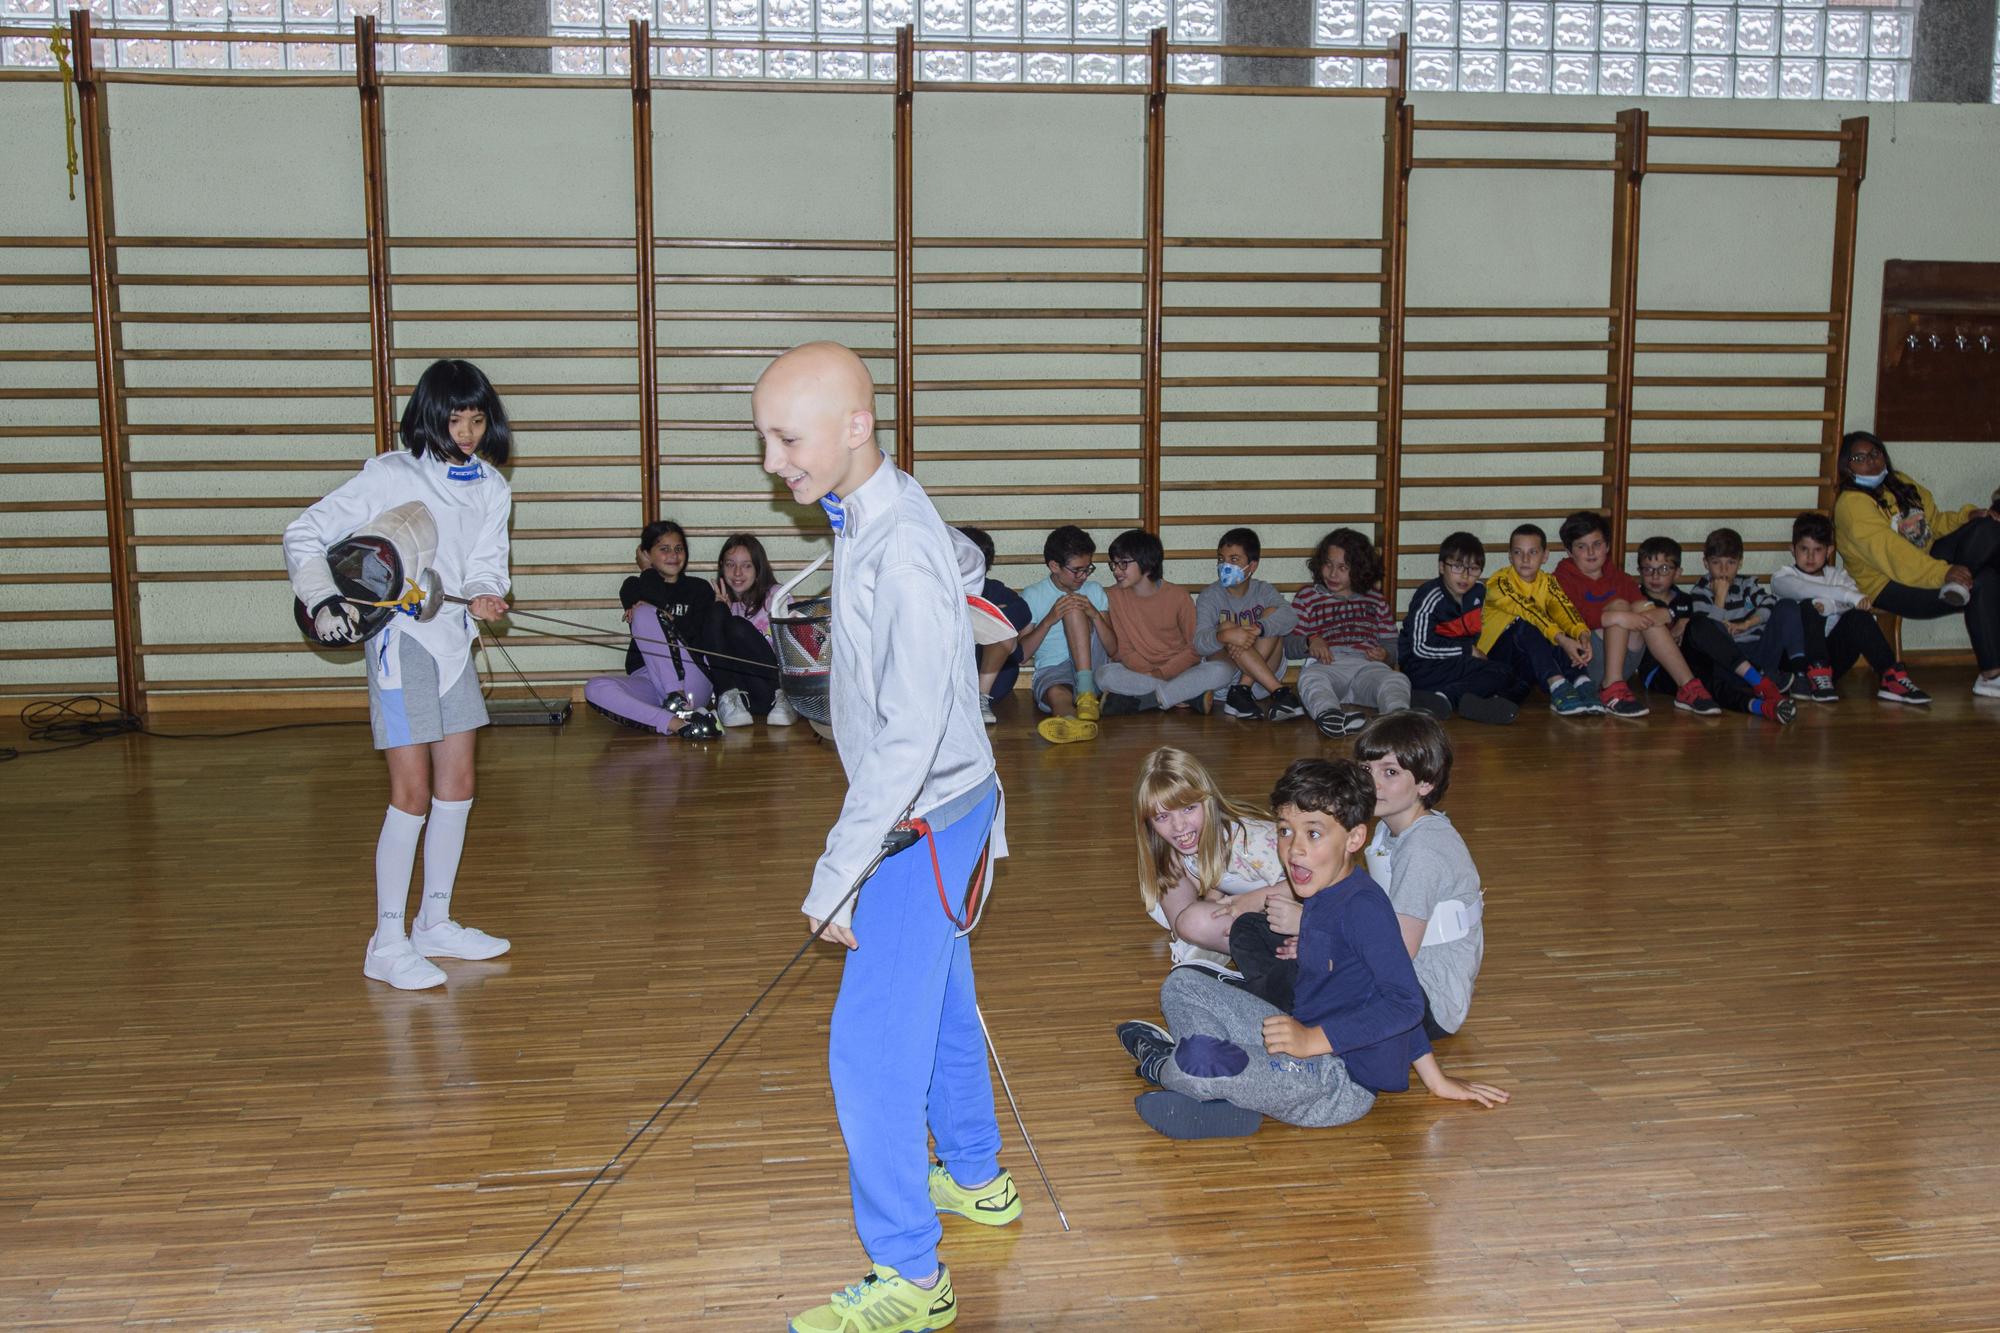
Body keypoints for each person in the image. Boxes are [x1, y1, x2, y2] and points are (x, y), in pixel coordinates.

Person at [755, 342, 1017, 1333]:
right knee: (944, 1001)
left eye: (787, 438)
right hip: (950, 809)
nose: (773, 459)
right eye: (765, 438)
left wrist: (838, 873)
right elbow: (950, 568)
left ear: (854, 427)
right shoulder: (879, 507)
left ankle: (911, 1274)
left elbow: (905, 740)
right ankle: (977, 1177)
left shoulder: (897, 539)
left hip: (923, 820)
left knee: (867, 1052)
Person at [1115, 758, 1509, 1140]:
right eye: (1285, 832)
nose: (1294, 849)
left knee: (1199, 1061)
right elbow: (1377, 985)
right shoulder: (1320, 890)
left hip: (1337, 1081)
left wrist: (1314, 1042)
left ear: (1354, 838)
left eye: (1314, 834)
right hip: (1297, 1035)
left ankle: (1162, 1064)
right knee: (1182, 985)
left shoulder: (1364, 908)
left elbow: (1404, 1003)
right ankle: (1227, 1096)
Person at [283, 358, 515, 991]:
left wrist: (489, 595)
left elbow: (486, 568)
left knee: (458, 786)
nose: (466, 432)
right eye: (454, 419)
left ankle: (433, 922)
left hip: (453, 645)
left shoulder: (491, 487)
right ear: (429, 417)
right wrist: (322, 598)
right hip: (399, 645)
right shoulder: (390, 474)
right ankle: (386, 940)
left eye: (476, 419)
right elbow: (303, 532)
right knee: (410, 793)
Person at [1227, 712, 1484, 1039]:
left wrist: (1312, 935)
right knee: (1250, 928)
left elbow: (1396, 956)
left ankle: (1261, 1000)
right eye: (1366, 769)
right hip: (1375, 962)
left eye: (1389, 772)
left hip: (1419, 1000)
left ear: (1426, 782)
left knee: (1294, 971)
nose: (1372, 783)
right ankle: (1270, 998)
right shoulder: (1387, 832)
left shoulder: (1424, 850)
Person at [1831, 429, 2000, 698]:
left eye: (1875, 453)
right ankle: (1992, 675)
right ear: (1847, 467)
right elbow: (1894, 555)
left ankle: (1958, 590)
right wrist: (1944, 574)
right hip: (1889, 584)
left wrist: (1967, 517)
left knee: (1988, 527)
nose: (1871, 461)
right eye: (1859, 458)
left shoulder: (1900, 483)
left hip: (1927, 563)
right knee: (1986, 580)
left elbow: (1934, 524)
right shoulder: (1851, 505)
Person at [1131, 746, 1286, 971]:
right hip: (1257, 915)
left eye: (1188, 809)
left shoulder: (1250, 841)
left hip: (1303, 920)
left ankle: (1215, 944)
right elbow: (1224, 875)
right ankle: (1200, 940)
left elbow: (1315, 885)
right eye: (1163, 816)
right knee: (1167, 864)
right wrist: (1213, 899)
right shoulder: (1189, 847)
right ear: (1148, 823)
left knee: (1192, 921)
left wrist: (1257, 899)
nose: (1179, 826)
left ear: (1208, 801)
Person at [1552, 510, 1716, 720]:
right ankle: (1611, 687)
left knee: (1640, 606)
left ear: (1608, 546)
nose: (1591, 552)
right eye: (1581, 546)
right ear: (1569, 551)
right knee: (1621, 606)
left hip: (1624, 663)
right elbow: (1572, 617)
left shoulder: (1619, 577)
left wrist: (1667, 614)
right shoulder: (1561, 578)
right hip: (1585, 663)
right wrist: (1618, 617)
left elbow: (1645, 610)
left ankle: (1687, 686)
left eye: (1597, 544)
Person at [1770, 511, 1930, 705]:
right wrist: (1845, 596)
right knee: (1807, 606)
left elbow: (1854, 602)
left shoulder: (1839, 576)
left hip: (1831, 664)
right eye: (1804, 549)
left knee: (1859, 616)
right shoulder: (1782, 577)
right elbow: (1804, 590)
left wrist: (1831, 605)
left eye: (1818, 549)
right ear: (1792, 549)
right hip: (1794, 664)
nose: (1810, 556)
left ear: (1829, 551)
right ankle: (1815, 672)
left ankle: (1890, 676)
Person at [581, 520, 721, 739]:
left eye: (678, 549)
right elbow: (657, 599)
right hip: (649, 679)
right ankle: (679, 724)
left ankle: (677, 698)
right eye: (663, 549)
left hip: (691, 677)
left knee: (644, 612)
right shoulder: (633, 586)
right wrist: (647, 571)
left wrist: (658, 614)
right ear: (646, 554)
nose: (673, 555)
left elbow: (695, 636)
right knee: (594, 687)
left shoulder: (699, 588)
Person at [1289, 526, 1434, 737]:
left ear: (1359, 570)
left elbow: (1392, 645)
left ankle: (1397, 718)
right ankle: (1330, 716)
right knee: (1310, 680)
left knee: (1397, 680)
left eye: (1343, 567)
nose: (1332, 573)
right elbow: (1288, 645)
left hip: (1367, 667)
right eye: (1328, 564)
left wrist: (1385, 655)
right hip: (1328, 665)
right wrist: (1310, 641)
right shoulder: (1307, 597)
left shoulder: (1375, 599)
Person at [1634, 536, 1795, 724]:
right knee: (1705, 686)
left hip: (1693, 658)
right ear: (1639, 572)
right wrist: (1676, 617)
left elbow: (1704, 629)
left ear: (1677, 572)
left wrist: (1684, 619)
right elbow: (1648, 620)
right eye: (1648, 570)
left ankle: (1760, 683)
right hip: (1659, 671)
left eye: (1663, 569)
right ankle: (1762, 707)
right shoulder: (1636, 597)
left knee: (1700, 625)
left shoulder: (1687, 599)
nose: (1655, 576)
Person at [1097, 529, 1237, 715]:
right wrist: (1152, 674)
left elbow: (1195, 648)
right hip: (1139, 672)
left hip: (1182, 670)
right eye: (1113, 564)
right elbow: (1123, 650)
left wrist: (1162, 674)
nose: (1116, 570)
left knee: (1223, 670)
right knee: (1104, 675)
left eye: (1123, 564)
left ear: (1147, 563)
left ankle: (1148, 699)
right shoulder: (1112, 597)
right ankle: (1185, 696)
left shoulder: (1178, 596)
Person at [1477, 523, 1602, 716]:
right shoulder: (1499, 582)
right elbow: (1528, 610)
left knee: (1559, 627)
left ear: (1545, 556)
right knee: (1529, 623)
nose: (1525, 559)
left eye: (1533, 552)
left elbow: (1564, 609)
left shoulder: (1548, 582)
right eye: (1518, 553)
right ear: (1510, 556)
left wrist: (1582, 634)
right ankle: (1557, 684)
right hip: (1494, 661)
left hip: (1525, 663)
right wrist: (1562, 639)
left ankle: (1581, 683)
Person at [1397, 532, 1520, 725]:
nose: (1465, 576)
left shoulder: (1479, 593)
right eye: (1457, 567)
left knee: (1507, 674)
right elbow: (1419, 648)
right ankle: (1451, 697)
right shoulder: (1430, 596)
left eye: (1473, 569)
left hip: (1455, 664)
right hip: (1422, 666)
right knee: (1497, 674)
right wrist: (1468, 650)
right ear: (1441, 567)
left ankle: (1451, 698)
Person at [1016, 524, 1116, 745]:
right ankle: (1073, 722)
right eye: (1076, 570)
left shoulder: (1094, 591)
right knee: (1056, 694)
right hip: (1054, 668)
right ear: (1054, 566)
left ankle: (1087, 692)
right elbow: (1021, 655)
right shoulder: (1033, 595)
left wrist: (1094, 615)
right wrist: (1050, 619)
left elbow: (1113, 649)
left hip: (1092, 664)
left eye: (1087, 568)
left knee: (1073, 609)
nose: (1082, 576)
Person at [1193, 526, 1303, 722]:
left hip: (1261, 682)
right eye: (1221, 559)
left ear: (1252, 566)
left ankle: (1242, 690)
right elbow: (1199, 643)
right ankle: (1278, 692)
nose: (1224, 566)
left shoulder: (1263, 590)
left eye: (1234, 560)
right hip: (1225, 682)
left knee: (1272, 616)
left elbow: (1291, 617)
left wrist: (1259, 628)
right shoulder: (1209, 596)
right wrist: (1224, 636)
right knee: (1227, 627)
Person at [706, 532, 797, 728]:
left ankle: (785, 698)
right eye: (730, 565)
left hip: (773, 691)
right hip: (743, 698)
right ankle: (727, 696)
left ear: (758, 569)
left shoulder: (776, 597)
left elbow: (795, 652)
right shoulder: (724, 605)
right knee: (716, 614)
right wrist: (721, 610)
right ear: (722, 567)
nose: (737, 573)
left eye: (747, 566)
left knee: (736, 626)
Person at [957, 525, 1031, 726]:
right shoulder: (939, 589)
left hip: (994, 680)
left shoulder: (993, 589)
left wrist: (986, 616)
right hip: (955, 679)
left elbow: (1023, 612)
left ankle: (980, 700)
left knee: (1000, 626)